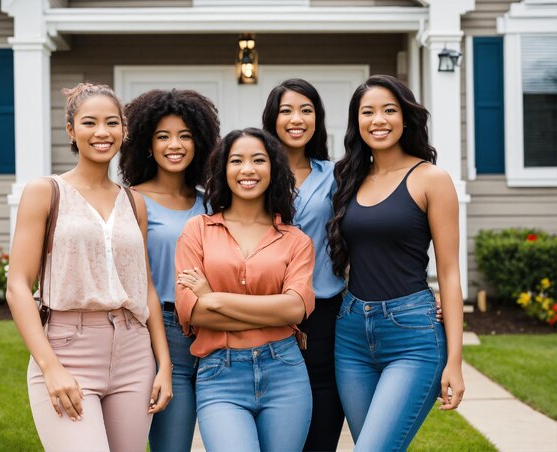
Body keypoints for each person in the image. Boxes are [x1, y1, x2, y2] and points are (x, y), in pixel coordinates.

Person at [6, 82, 172, 451]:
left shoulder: (135, 202)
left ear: (124, 131)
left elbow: (144, 287)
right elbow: (17, 285)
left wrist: (164, 364)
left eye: (112, 123)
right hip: (68, 348)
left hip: (133, 352)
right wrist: (50, 367)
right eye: (89, 123)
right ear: (71, 130)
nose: (102, 132)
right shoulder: (44, 192)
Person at [328, 74, 465, 451]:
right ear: (357, 122)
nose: (379, 120)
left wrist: (454, 359)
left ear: (405, 117)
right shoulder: (349, 178)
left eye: (389, 110)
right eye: (367, 112)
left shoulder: (431, 179)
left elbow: (450, 274)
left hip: (412, 335)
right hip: (351, 334)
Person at [175, 128, 315, 452]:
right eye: (237, 160)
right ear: (223, 170)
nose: (247, 169)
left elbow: (295, 309)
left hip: (285, 374)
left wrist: (213, 298)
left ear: (273, 169)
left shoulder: (296, 240)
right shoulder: (197, 230)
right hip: (219, 376)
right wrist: (272, 314)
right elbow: (191, 311)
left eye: (258, 160)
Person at [118, 88, 220, 452]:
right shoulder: (130, 200)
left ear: (200, 143)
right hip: (161, 331)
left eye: (185, 136)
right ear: (148, 144)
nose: (174, 145)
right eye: (163, 136)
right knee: (172, 445)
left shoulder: (212, 202)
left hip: (217, 331)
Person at [262, 78, 346, 451]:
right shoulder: (253, 172)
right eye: (286, 110)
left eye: (306, 110)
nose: (296, 119)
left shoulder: (337, 176)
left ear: (318, 119)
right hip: (263, 311)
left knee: (323, 417)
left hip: (325, 312)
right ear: (272, 119)